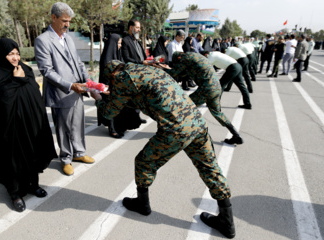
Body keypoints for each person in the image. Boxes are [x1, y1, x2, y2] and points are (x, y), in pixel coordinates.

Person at [92, 60, 235, 239]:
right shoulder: (147, 70)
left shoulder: (122, 77)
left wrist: (97, 98)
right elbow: (142, 96)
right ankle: (227, 222)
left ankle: (142, 204)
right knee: (209, 167)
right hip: (196, 122)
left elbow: (108, 113)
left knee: (143, 162)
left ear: (112, 74)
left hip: (175, 129)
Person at [0, 38, 57, 212]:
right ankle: (15, 193)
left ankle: (33, 185)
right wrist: (15, 81)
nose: (15, 58)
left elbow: (33, 92)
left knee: (32, 154)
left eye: (17, 53)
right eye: (10, 54)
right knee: (13, 160)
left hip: (30, 124)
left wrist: (22, 79)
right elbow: (1, 100)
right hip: (10, 128)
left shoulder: (25, 70)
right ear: (2, 55)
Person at [35, 2, 95, 176]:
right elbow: (47, 71)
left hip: (78, 89)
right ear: (53, 18)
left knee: (78, 124)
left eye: (69, 21)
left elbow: (77, 62)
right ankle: (66, 158)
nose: (67, 25)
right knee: (63, 128)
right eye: (64, 20)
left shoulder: (68, 38)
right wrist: (70, 85)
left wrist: (88, 82)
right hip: (61, 92)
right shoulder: (43, 40)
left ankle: (79, 153)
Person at [164, 52, 244, 145]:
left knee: (185, 106)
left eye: (177, 62)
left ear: (178, 57)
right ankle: (236, 135)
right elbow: (184, 74)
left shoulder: (185, 58)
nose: (178, 64)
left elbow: (174, 73)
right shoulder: (194, 57)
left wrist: (160, 68)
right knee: (217, 113)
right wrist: (168, 69)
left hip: (206, 89)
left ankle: (184, 132)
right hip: (216, 87)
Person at [98, 33, 141, 138]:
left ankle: (119, 127)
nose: (120, 45)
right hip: (109, 86)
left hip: (117, 86)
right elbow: (106, 74)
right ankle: (112, 129)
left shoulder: (117, 54)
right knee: (112, 106)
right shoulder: (107, 56)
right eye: (119, 43)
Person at [121, 19, 149, 123]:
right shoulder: (125, 40)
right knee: (132, 97)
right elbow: (127, 58)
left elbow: (143, 56)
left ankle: (137, 117)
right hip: (133, 74)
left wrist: (149, 61)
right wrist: (141, 63)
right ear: (131, 28)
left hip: (142, 72)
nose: (139, 30)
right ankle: (131, 119)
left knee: (140, 97)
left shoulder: (138, 41)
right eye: (137, 27)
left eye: (139, 28)